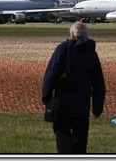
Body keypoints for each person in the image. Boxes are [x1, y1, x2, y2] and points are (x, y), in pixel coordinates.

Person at [42, 21, 106, 154]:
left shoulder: (63, 48)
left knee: (62, 134)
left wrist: (46, 97)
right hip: (82, 104)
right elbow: (98, 83)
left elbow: (51, 73)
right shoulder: (92, 53)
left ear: (72, 34)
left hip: (63, 102)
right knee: (80, 140)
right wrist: (97, 107)